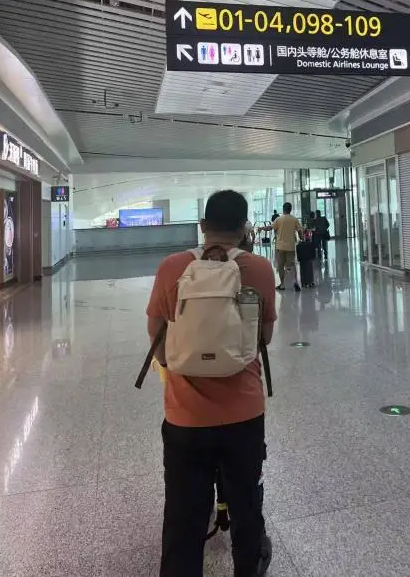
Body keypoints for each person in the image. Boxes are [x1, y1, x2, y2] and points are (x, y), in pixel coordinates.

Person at [146, 190, 276, 577]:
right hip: (243, 413)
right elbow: (264, 337)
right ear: (245, 228)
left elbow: (156, 337)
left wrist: (181, 365)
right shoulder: (260, 268)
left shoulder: (173, 267)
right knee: (246, 504)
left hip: (185, 416)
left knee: (183, 513)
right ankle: (249, 565)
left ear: (203, 226)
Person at [272, 202, 303, 292]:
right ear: (290, 209)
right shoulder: (294, 219)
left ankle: (282, 285)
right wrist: (301, 237)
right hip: (290, 246)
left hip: (280, 246)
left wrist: (261, 228)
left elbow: (272, 227)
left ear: (283, 209)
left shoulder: (279, 219)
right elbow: (299, 230)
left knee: (281, 266)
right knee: (292, 265)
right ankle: (295, 282)